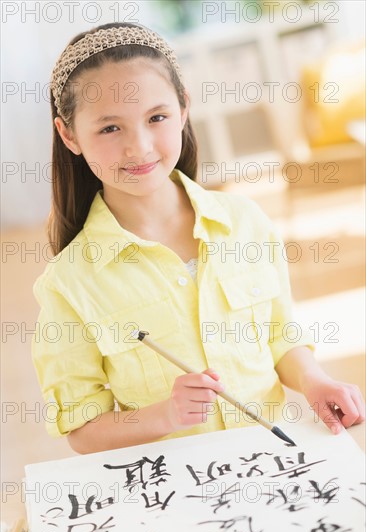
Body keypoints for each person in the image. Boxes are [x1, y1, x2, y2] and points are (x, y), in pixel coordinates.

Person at [32, 22, 365, 454]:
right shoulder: (68, 283)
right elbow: (82, 428)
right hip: (179, 495)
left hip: (278, 468)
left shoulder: (245, 222)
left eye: (157, 117)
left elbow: (280, 334)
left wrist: (315, 381)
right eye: (110, 129)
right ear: (69, 135)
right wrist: (164, 415)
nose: (140, 147)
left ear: (184, 109)